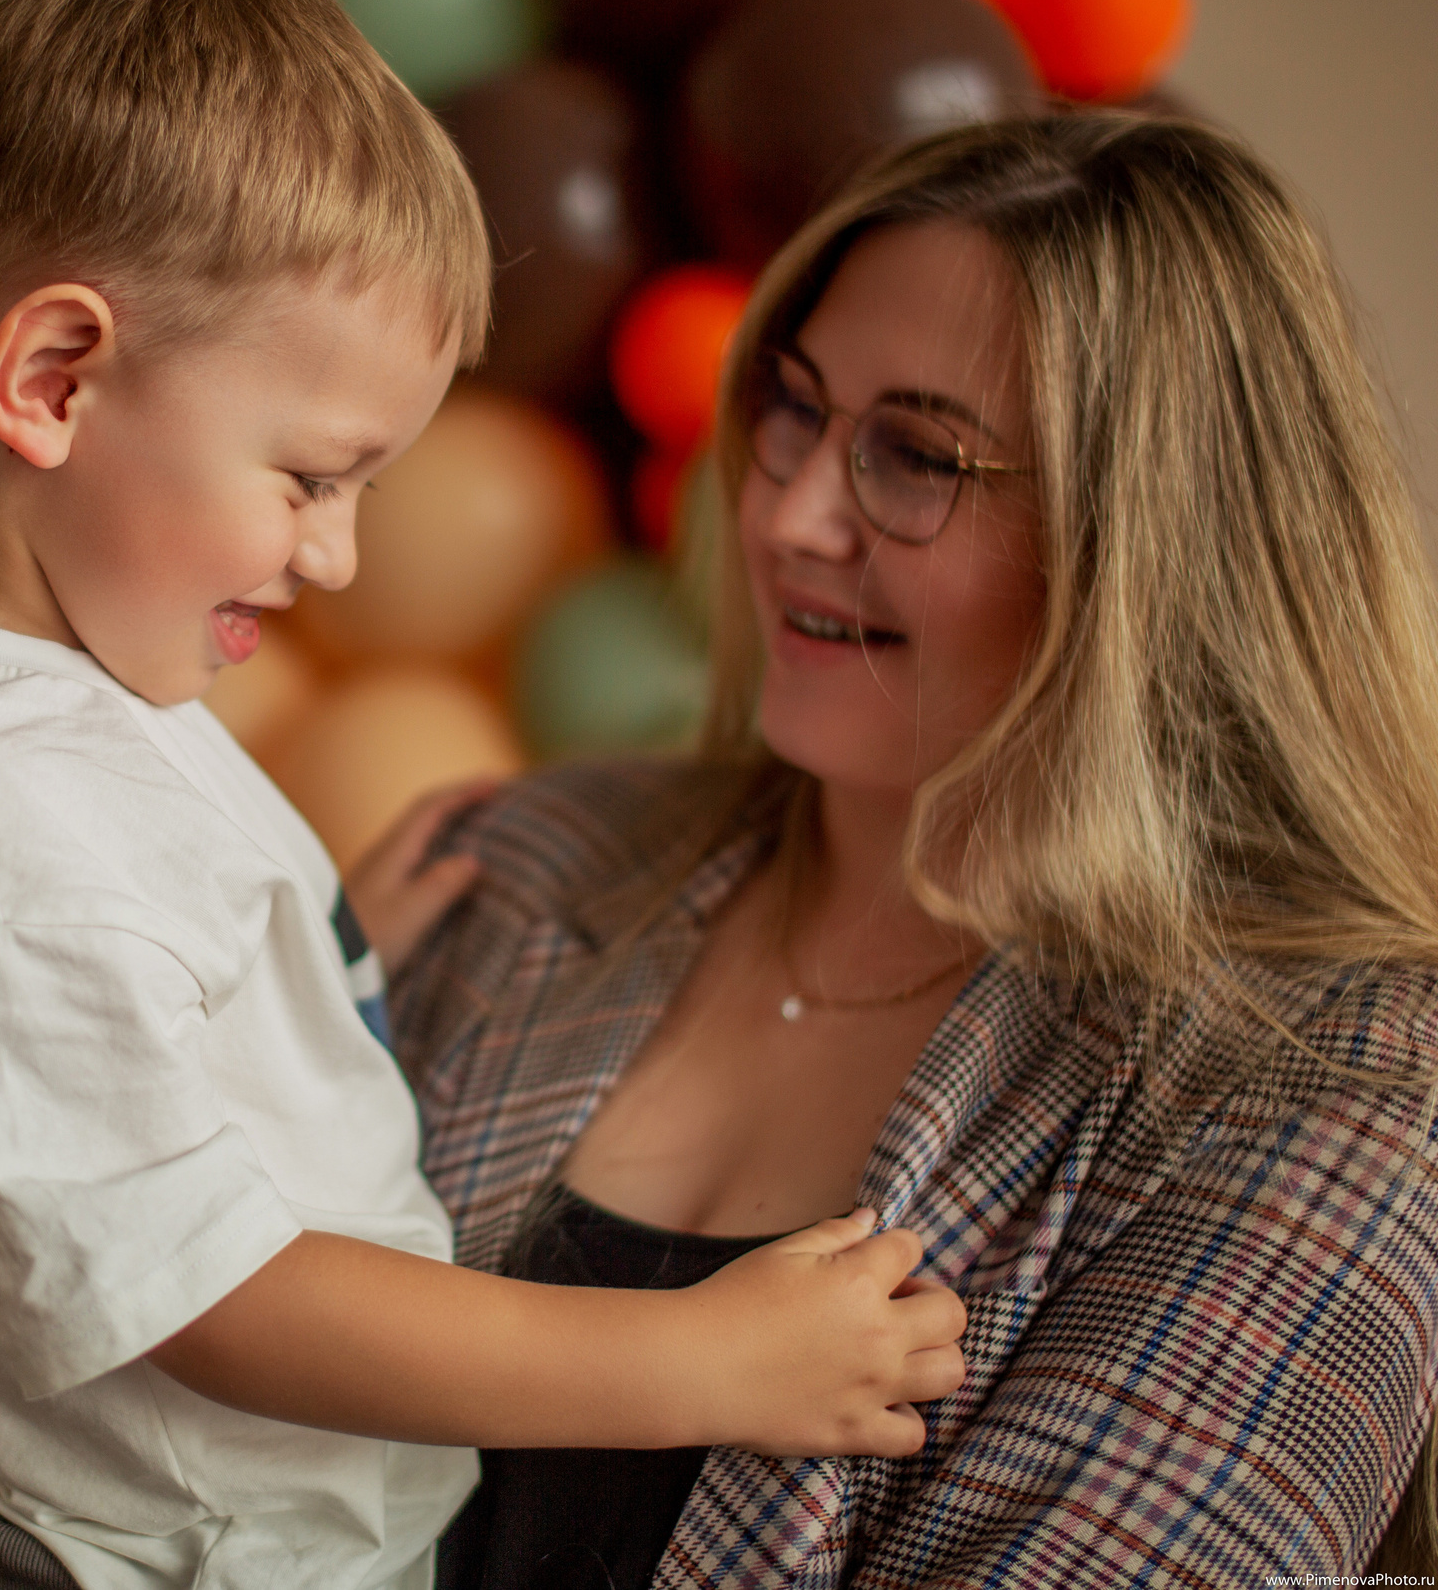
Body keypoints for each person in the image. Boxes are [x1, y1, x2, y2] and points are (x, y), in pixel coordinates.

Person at [0, 0, 967, 1590]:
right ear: (54, 378)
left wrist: (284, 980)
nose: (335, 559)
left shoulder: (39, 716)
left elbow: (86, 1039)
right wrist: (698, 1366)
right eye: (312, 477)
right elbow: (221, 1299)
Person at [384, 110, 1438, 1588]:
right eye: (796, 413)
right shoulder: (530, 856)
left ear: (1143, 540)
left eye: (917, 456)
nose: (792, 513)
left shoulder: (1322, 1074)